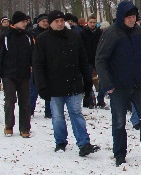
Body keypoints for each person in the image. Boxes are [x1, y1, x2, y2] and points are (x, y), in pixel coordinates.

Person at [95, 0, 141, 166]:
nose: (132, 20)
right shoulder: (112, 33)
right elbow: (101, 59)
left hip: (139, 83)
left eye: (134, 17)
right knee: (119, 121)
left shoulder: (139, 31)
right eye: (128, 17)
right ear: (121, 17)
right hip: (118, 85)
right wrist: (106, 84)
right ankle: (119, 153)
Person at [32, 10, 100, 156]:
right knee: (57, 116)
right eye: (56, 21)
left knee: (76, 113)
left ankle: (84, 143)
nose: (60, 23)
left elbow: (83, 59)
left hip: (74, 83)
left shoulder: (74, 36)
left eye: (62, 20)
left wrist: (87, 81)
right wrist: (41, 86)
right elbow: (38, 65)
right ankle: (60, 142)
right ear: (50, 23)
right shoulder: (43, 39)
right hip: (54, 85)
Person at [0, 11, 34, 137]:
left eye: (26, 22)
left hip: (24, 73)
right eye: (23, 21)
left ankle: (25, 128)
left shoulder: (28, 36)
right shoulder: (4, 36)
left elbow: (33, 55)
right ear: (15, 22)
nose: (25, 24)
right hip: (8, 74)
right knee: (10, 100)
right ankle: (9, 125)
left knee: (25, 101)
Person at [30, 13, 51, 118]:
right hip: (36, 64)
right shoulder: (32, 33)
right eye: (43, 21)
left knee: (49, 87)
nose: (45, 23)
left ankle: (49, 111)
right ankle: (30, 110)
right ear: (39, 22)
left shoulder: (50, 33)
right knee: (34, 89)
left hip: (49, 64)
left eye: (47, 21)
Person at [81, 15, 106, 108]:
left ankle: (101, 99)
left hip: (98, 59)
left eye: (94, 22)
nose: (92, 24)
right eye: (90, 22)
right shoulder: (83, 33)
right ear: (87, 22)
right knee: (88, 80)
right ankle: (89, 100)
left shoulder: (100, 33)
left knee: (102, 79)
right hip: (87, 60)